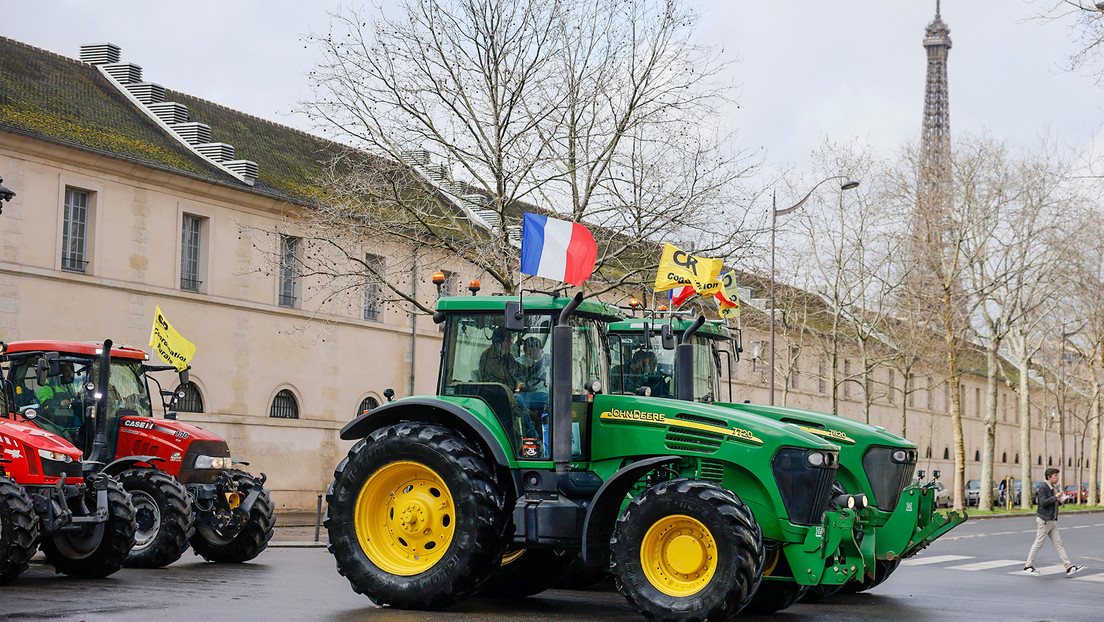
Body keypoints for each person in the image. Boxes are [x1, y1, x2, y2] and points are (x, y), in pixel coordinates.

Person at [1023, 468, 1083, 576]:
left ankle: (1069, 567)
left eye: (1057, 475)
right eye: (1055, 476)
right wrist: (1056, 497)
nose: (1057, 478)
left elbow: (1052, 503)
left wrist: (1060, 501)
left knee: (1059, 544)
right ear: (1048, 477)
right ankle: (1028, 566)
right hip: (1044, 521)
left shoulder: (1053, 488)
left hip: (1052, 521)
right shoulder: (1043, 488)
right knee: (1038, 543)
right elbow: (1043, 503)